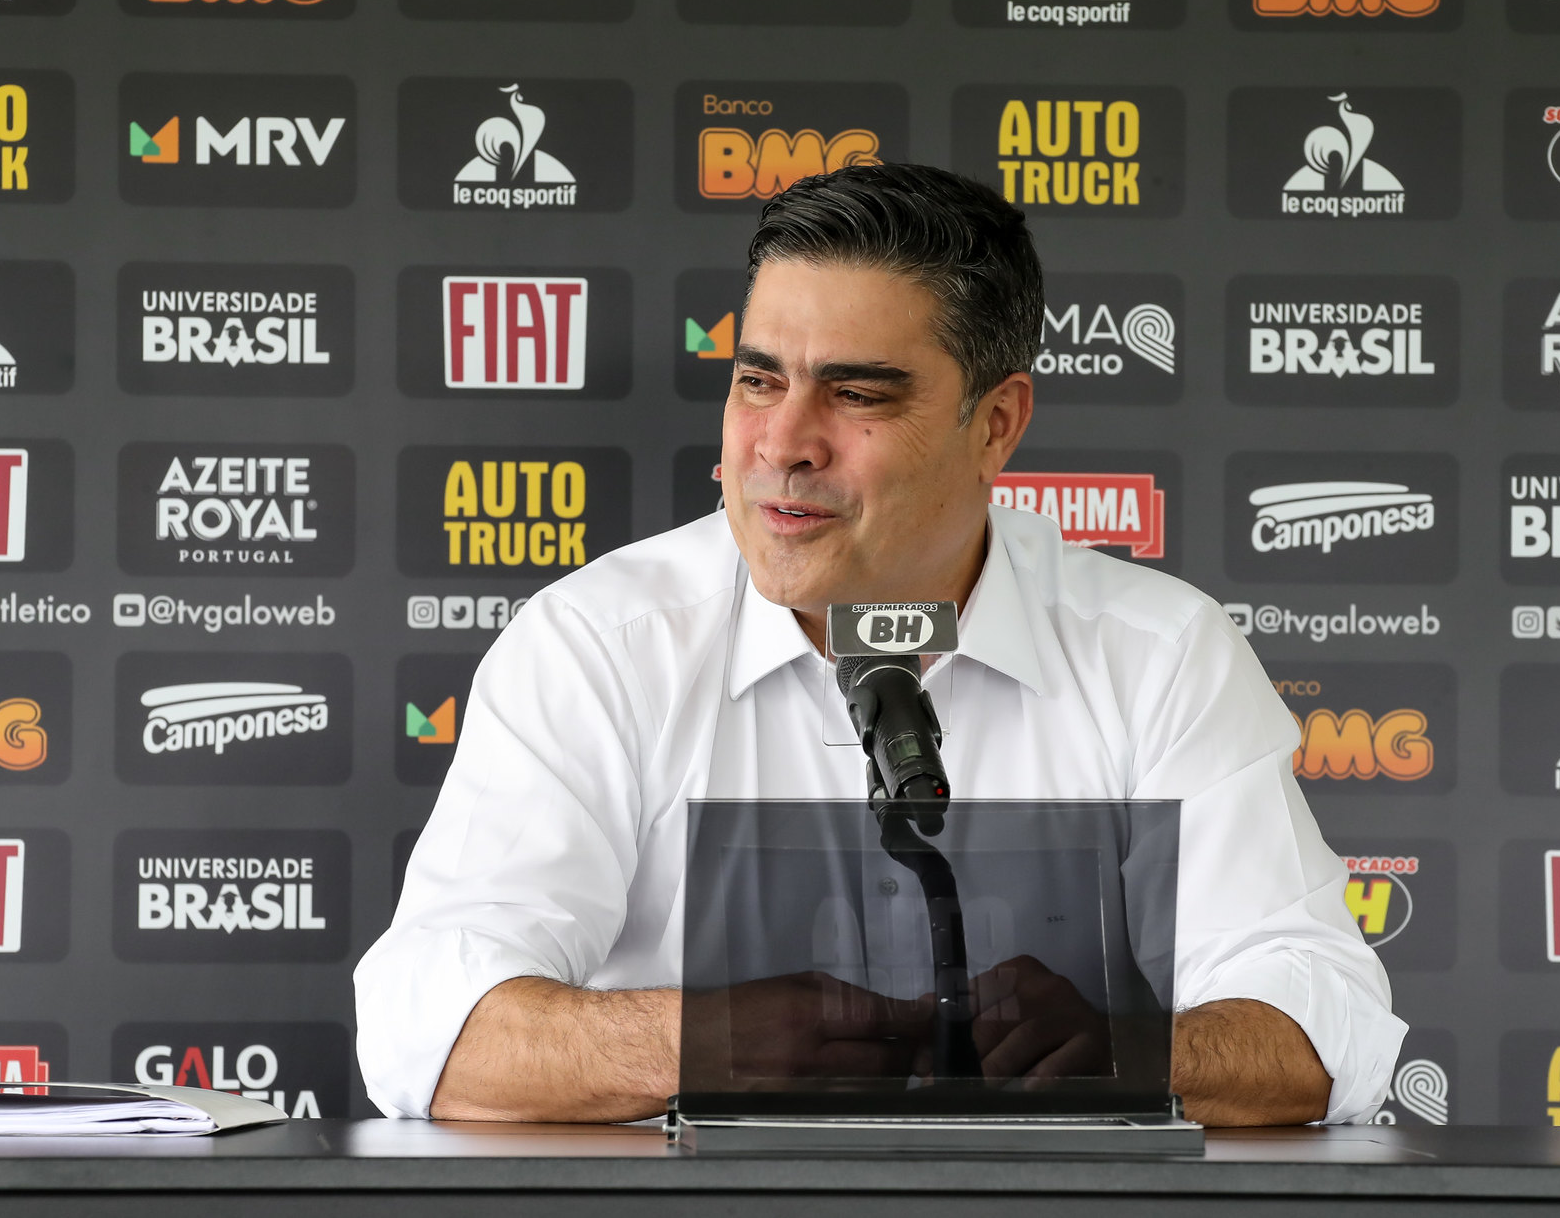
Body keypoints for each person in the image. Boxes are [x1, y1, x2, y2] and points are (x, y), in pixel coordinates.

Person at [356, 164, 1405, 1125]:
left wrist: (1127, 1052)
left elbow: (1330, 1034)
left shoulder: (1158, 650)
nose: (780, 444)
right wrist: (704, 1044)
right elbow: (422, 1034)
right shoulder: (597, 642)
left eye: (854, 394)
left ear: (995, 425)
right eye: (758, 380)